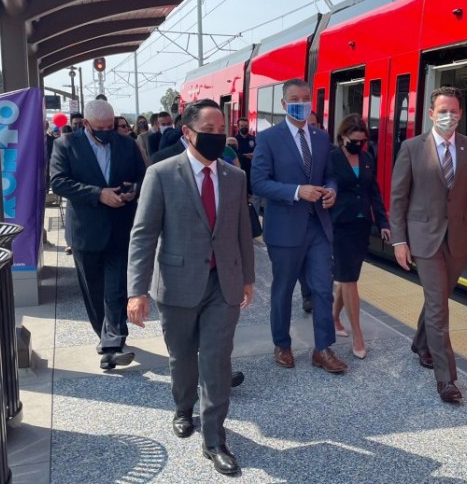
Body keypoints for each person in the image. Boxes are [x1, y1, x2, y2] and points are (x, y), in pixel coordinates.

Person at [127, 99, 254, 477]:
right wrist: (136, 291)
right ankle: (183, 407)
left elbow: (242, 231)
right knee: (182, 357)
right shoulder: (162, 174)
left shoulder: (234, 176)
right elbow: (144, 234)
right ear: (187, 132)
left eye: (221, 130)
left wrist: (247, 276)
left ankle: (214, 438)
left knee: (216, 360)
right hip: (177, 284)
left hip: (223, 284)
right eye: (209, 130)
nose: (217, 137)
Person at [389, 86, 467, 403]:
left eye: (454, 111)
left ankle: (421, 342)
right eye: (442, 111)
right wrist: (400, 240)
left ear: (461, 114)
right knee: (438, 307)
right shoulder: (412, 148)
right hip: (424, 239)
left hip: (457, 239)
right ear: (431, 114)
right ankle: (446, 380)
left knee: (438, 298)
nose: (448, 116)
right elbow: (398, 198)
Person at [251, 78, 346, 373]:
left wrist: (331, 191)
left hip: (318, 226)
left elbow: (330, 175)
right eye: (295, 98)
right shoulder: (268, 139)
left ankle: (323, 349)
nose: (301, 103)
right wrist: (296, 191)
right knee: (283, 289)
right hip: (284, 229)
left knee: (322, 289)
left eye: (306, 98)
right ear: (283, 104)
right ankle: (282, 344)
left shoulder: (320, 137)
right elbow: (258, 182)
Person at [50, 100, 146, 370]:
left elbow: (144, 176)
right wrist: (98, 194)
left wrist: (132, 191)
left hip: (119, 227)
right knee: (94, 291)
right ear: (86, 125)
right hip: (86, 231)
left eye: (110, 126)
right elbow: (58, 181)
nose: (107, 131)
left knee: (116, 289)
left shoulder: (126, 144)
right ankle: (106, 337)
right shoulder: (66, 145)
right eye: (100, 128)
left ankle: (113, 343)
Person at [330, 114, 390, 360]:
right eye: (355, 140)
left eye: (363, 141)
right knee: (349, 279)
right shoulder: (331, 158)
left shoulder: (366, 158)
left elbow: (373, 191)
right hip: (339, 225)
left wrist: (383, 222)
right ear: (343, 137)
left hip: (361, 225)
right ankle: (358, 335)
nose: (359, 145)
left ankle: (333, 318)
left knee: (348, 277)